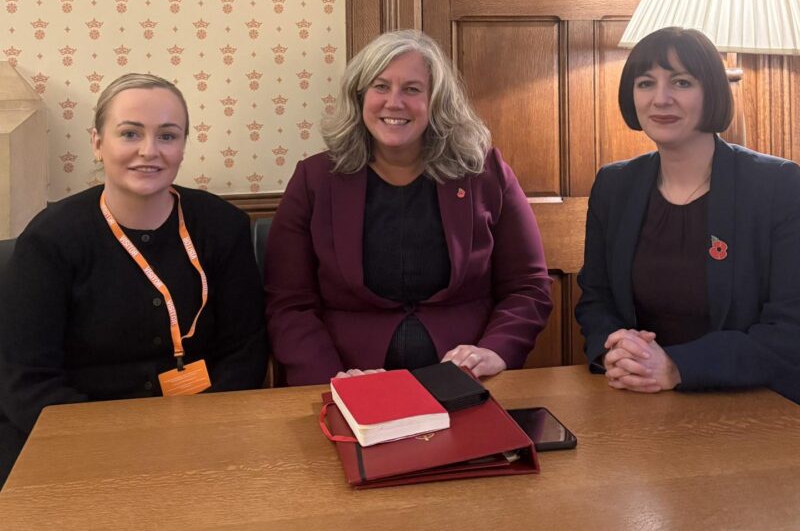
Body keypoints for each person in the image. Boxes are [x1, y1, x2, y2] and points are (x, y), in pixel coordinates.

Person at [0, 74, 267, 486]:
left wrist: (198, 431)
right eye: (129, 133)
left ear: (182, 146)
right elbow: (27, 380)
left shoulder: (223, 226)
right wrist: (117, 445)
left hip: (201, 436)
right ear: (97, 142)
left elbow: (245, 353)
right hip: (75, 445)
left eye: (167, 136)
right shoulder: (50, 239)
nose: (149, 151)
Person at [264, 30, 552, 386]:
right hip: (349, 381)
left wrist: (495, 351)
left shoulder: (485, 172)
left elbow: (527, 287)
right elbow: (289, 304)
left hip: (467, 380)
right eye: (380, 87)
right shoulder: (314, 179)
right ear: (360, 96)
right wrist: (331, 379)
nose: (394, 102)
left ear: (436, 101)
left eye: (412, 89)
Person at [576, 27, 800, 402]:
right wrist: (616, 347)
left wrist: (676, 366)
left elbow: (790, 329)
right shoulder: (614, 185)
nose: (660, 99)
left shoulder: (778, 184)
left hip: (756, 401)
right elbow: (596, 300)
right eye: (646, 83)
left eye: (681, 82)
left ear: (712, 91)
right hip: (638, 396)